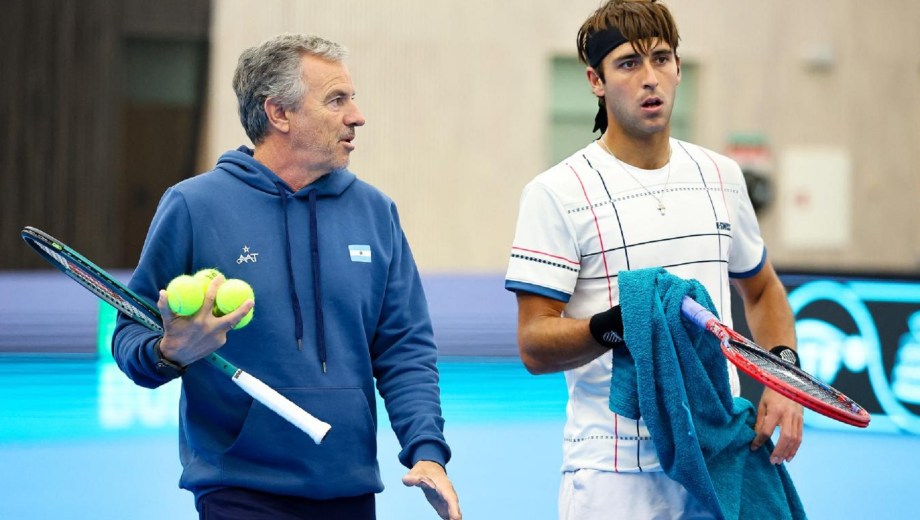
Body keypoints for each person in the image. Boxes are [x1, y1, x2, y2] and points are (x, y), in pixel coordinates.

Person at [112, 33, 461, 520]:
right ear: (279, 114)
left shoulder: (376, 212)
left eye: (352, 98)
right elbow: (131, 336)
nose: (356, 116)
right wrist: (170, 353)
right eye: (336, 100)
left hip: (349, 489)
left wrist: (426, 450)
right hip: (238, 492)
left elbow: (404, 349)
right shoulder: (193, 205)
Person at [504, 1, 802, 518]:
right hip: (612, 471)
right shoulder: (554, 192)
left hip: (718, 454)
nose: (650, 79)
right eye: (628, 64)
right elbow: (534, 343)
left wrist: (784, 378)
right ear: (596, 80)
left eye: (661, 59)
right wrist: (620, 325)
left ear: (679, 69)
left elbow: (763, 289)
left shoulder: (721, 176)